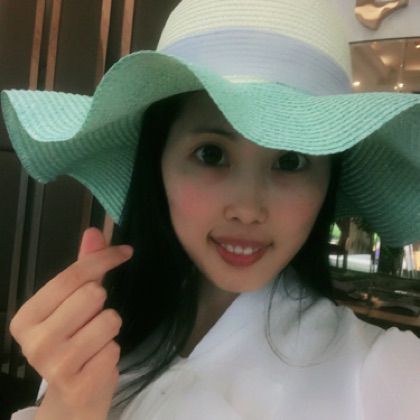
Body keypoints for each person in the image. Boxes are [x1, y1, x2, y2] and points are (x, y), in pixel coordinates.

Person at [2, 0, 420, 419]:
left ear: (329, 180)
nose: (247, 209)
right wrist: (66, 406)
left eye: (291, 161)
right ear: (157, 163)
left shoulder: (388, 375)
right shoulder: (88, 338)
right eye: (211, 154)